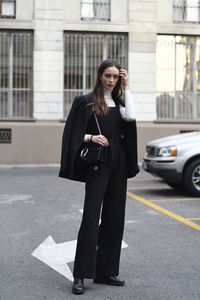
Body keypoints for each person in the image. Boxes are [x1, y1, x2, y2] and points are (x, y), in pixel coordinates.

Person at [59, 59, 139, 295]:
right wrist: (91, 138)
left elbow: (131, 119)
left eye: (116, 77)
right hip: (98, 163)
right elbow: (72, 133)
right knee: (91, 218)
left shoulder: (121, 101)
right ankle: (80, 275)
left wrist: (129, 88)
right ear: (100, 76)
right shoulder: (86, 101)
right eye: (108, 76)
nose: (111, 81)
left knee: (115, 218)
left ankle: (106, 272)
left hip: (119, 164)